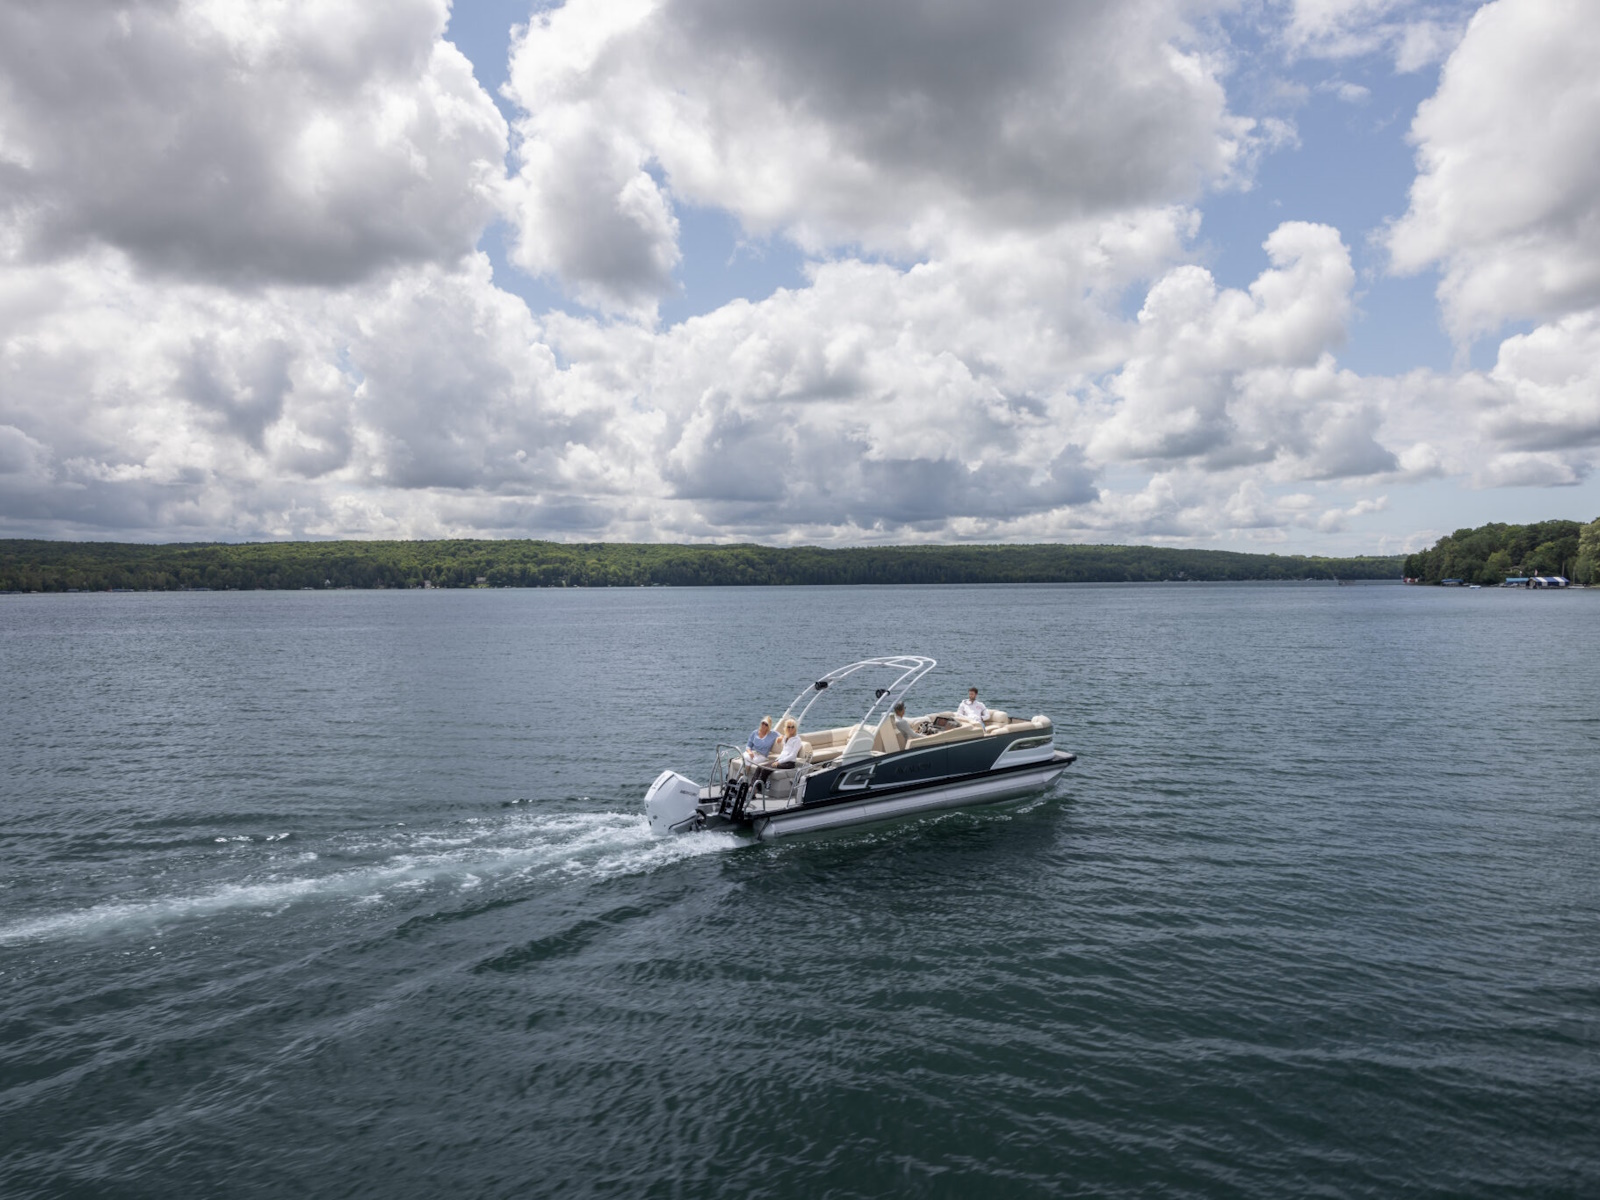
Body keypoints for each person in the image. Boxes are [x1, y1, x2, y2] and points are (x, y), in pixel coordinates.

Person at [756, 719, 804, 789]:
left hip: (789, 763)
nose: (790, 729)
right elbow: (784, 749)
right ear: (786, 728)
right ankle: (751, 786)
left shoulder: (797, 740)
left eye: (792, 727)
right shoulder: (786, 737)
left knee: (765, 770)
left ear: (795, 728)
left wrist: (779, 762)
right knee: (759, 767)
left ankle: (758, 789)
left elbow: (793, 755)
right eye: (788, 727)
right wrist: (781, 737)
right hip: (780, 760)